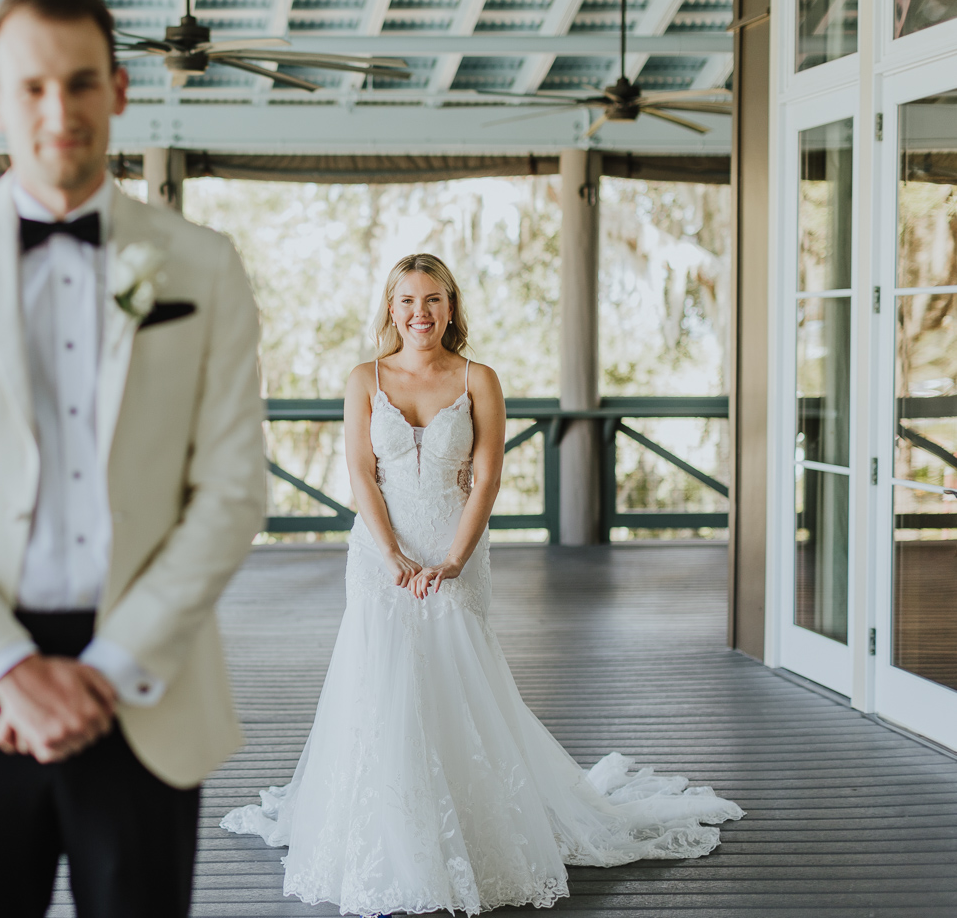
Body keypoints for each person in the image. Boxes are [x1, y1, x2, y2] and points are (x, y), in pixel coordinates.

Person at [0, 0, 265, 918]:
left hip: (143, 683)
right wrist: (9, 667)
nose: (58, 111)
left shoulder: (202, 266)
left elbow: (233, 490)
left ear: (118, 89)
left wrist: (108, 666)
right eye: (30, 87)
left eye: (80, 84)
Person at [222, 254, 742, 917]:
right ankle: (386, 834)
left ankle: (470, 825)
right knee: (380, 683)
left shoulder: (478, 379)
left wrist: (452, 560)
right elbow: (358, 472)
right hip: (379, 556)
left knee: (455, 682)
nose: (420, 313)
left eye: (432, 300)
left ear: (450, 306)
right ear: (390, 308)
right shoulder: (363, 379)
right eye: (407, 300)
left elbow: (488, 476)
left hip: (452, 549)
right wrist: (389, 556)